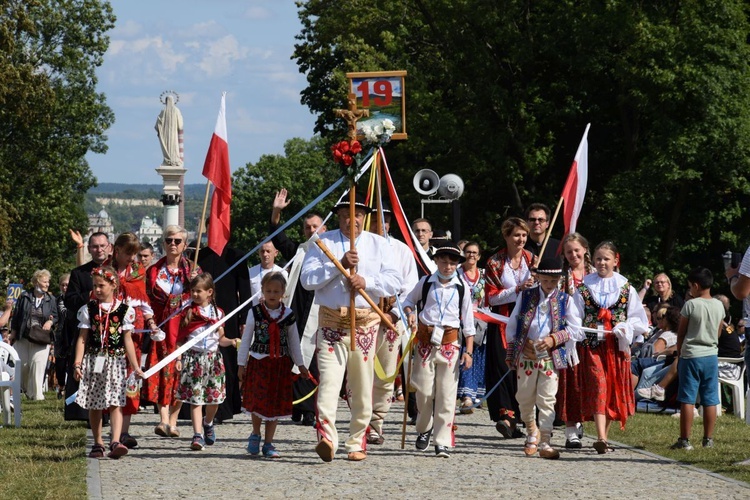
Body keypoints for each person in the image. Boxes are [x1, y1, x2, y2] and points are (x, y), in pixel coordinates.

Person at [301, 192, 400, 462]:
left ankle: (357, 441)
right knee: (330, 383)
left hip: (366, 323)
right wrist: (339, 266)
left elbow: (394, 280)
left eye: (356, 215)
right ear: (339, 217)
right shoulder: (322, 243)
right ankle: (327, 438)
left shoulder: (379, 244)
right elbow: (307, 280)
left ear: (364, 218)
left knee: (361, 384)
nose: (350, 220)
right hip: (332, 322)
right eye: (345, 215)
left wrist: (366, 282)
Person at [570, 241, 648, 454]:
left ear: (615, 260)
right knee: (598, 385)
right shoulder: (584, 287)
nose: (602, 262)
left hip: (616, 348)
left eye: (606, 259)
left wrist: (626, 327)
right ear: (592, 261)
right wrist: (579, 330)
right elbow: (574, 315)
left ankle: (603, 436)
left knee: (612, 389)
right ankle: (602, 437)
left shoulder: (626, 288)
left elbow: (638, 319)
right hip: (592, 346)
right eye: (598, 259)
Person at [505, 257, 582, 459]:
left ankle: (545, 440)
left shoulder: (566, 300)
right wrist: (512, 353)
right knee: (524, 396)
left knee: (547, 398)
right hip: (527, 353)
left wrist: (554, 339)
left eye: (553, 281)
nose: (549, 285)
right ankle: (532, 430)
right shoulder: (525, 296)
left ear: (559, 279)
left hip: (550, 355)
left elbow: (576, 330)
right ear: (538, 277)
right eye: (546, 280)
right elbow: (512, 325)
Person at [403, 242, 475, 458]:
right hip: (426, 343)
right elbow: (408, 301)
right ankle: (424, 428)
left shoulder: (462, 288)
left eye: (453, 262)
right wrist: (410, 313)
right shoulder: (426, 283)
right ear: (436, 261)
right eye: (444, 261)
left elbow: (469, 323)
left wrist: (468, 351)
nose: (448, 266)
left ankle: (442, 440)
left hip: (450, 344)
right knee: (424, 391)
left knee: (447, 394)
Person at [72, 266, 143, 459]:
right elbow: (83, 338)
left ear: (113, 285)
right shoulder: (89, 309)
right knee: (95, 403)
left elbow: (128, 339)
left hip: (116, 361)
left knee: (115, 402)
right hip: (94, 359)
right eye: (95, 286)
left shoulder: (124, 310)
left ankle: (115, 440)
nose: (97, 289)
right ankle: (98, 442)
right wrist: (77, 363)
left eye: (101, 285)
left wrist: (136, 366)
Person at [270, 188, 326, 427]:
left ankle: (310, 409)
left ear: (324, 229)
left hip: (321, 313)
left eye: (316, 227)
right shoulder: (299, 252)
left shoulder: (333, 254)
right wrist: (276, 212)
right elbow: (277, 236)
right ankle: (294, 405)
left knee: (315, 360)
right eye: (307, 228)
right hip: (297, 310)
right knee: (294, 356)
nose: (311, 231)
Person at [238, 272, 307, 458]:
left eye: (276, 291)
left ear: (283, 292)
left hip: (279, 365)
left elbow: (294, 342)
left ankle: (268, 443)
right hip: (259, 363)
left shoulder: (288, 315)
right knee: (257, 401)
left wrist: (300, 365)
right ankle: (255, 433)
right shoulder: (255, 312)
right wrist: (240, 364)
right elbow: (246, 340)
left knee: (275, 404)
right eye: (268, 290)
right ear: (262, 291)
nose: (272, 294)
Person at [367, 204, 418, 445]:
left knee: (385, 374)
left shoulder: (402, 251)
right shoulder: (361, 246)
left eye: (386, 221)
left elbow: (410, 287)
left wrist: (396, 314)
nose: (382, 226)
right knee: (358, 371)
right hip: (362, 317)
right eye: (377, 221)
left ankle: (376, 422)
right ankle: (360, 421)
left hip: (390, 319)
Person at [104, 233, 159, 449]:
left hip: (132, 333)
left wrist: (152, 321)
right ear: (116, 250)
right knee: (109, 380)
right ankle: (110, 430)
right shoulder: (105, 271)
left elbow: (143, 301)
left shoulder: (137, 272)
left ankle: (123, 432)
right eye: (128, 253)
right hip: (108, 331)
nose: (132, 258)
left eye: (134, 253)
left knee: (129, 380)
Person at [143, 225, 198, 438]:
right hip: (160, 330)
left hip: (184, 331)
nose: (173, 244)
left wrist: (194, 282)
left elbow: (203, 298)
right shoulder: (154, 271)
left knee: (180, 376)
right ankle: (163, 419)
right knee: (160, 374)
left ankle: (173, 422)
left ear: (185, 245)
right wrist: (149, 320)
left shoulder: (192, 270)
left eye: (177, 241)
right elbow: (145, 300)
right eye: (169, 240)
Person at [484, 217, 535, 438]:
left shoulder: (532, 259)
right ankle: (506, 416)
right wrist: (517, 288)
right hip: (503, 320)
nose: (521, 239)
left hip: (528, 320)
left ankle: (523, 417)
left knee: (524, 368)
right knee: (503, 367)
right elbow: (490, 297)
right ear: (506, 236)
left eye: (524, 235)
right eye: (516, 235)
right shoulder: (494, 262)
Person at [174, 273, 236, 451]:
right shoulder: (189, 312)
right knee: (196, 399)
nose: (194, 294)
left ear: (209, 292)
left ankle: (208, 422)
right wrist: (178, 358)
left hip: (213, 360)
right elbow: (181, 338)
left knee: (214, 399)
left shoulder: (218, 313)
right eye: (192, 291)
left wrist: (230, 341)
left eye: (198, 291)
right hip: (194, 359)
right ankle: (197, 434)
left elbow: (221, 338)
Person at [194, 236, 252, 424]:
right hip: (200, 314)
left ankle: (224, 407)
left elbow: (245, 291)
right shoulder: (198, 256)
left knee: (227, 362)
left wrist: (245, 318)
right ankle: (197, 406)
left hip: (229, 315)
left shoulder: (237, 256)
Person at [670, 268, 724, 450]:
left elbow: (681, 332)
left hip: (691, 354)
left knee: (688, 397)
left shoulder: (691, 305)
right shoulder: (719, 305)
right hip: (711, 355)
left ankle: (684, 440)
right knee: (710, 398)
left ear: (695, 285)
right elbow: (718, 332)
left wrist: (680, 351)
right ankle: (708, 439)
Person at [557, 232, 593, 448]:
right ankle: (571, 428)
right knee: (570, 383)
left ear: (585, 250)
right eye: (569, 251)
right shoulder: (562, 278)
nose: (573, 254)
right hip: (570, 338)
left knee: (590, 382)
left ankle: (591, 424)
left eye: (576, 250)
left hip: (593, 339)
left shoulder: (597, 275)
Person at [9, 269, 59, 400]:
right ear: (37, 282)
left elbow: (56, 316)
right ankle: (26, 389)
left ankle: (37, 395)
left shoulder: (51, 299)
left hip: (41, 337)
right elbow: (17, 316)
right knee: (23, 365)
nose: (47, 284)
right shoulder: (24, 296)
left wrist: (50, 321)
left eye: (48, 282)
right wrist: (13, 333)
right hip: (24, 336)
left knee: (38, 364)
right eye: (44, 281)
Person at [457, 241, 488, 413]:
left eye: (475, 252)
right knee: (464, 354)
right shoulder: (457, 273)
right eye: (468, 252)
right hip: (461, 321)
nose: (471, 255)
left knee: (477, 357)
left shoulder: (483, 275)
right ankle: (465, 396)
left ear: (479, 256)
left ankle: (475, 394)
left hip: (480, 321)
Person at [53, 273, 70, 399]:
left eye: (67, 285)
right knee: (60, 363)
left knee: (73, 361)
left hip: (73, 334)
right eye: (63, 285)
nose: (65, 288)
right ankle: (61, 386)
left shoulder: (76, 299)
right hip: (60, 336)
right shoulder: (56, 300)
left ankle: (71, 388)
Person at [155, 94, 184, 166]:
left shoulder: (163, 111)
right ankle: (174, 159)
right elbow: (180, 126)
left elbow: (157, 126)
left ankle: (168, 159)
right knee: (174, 147)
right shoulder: (176, 110)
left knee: (167, 146)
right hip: (173, 134)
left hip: (165, 135)